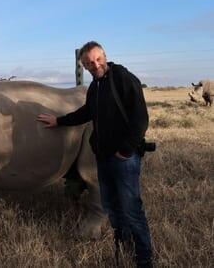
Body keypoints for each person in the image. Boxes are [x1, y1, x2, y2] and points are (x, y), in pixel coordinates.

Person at [37, 41, 153, 267]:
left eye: (97, 59)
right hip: (103, 157)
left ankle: (144, 259)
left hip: (123, 158)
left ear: (105, 56)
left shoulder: (124, 79)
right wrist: (59, 121)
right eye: (89, 63)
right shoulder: (96, 86)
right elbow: (86, 113)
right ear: (84, 66)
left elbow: (141, 119)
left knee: (131, 209)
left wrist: (126, 150)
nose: (94, 65)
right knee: (113, 208)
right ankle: (123, 248)